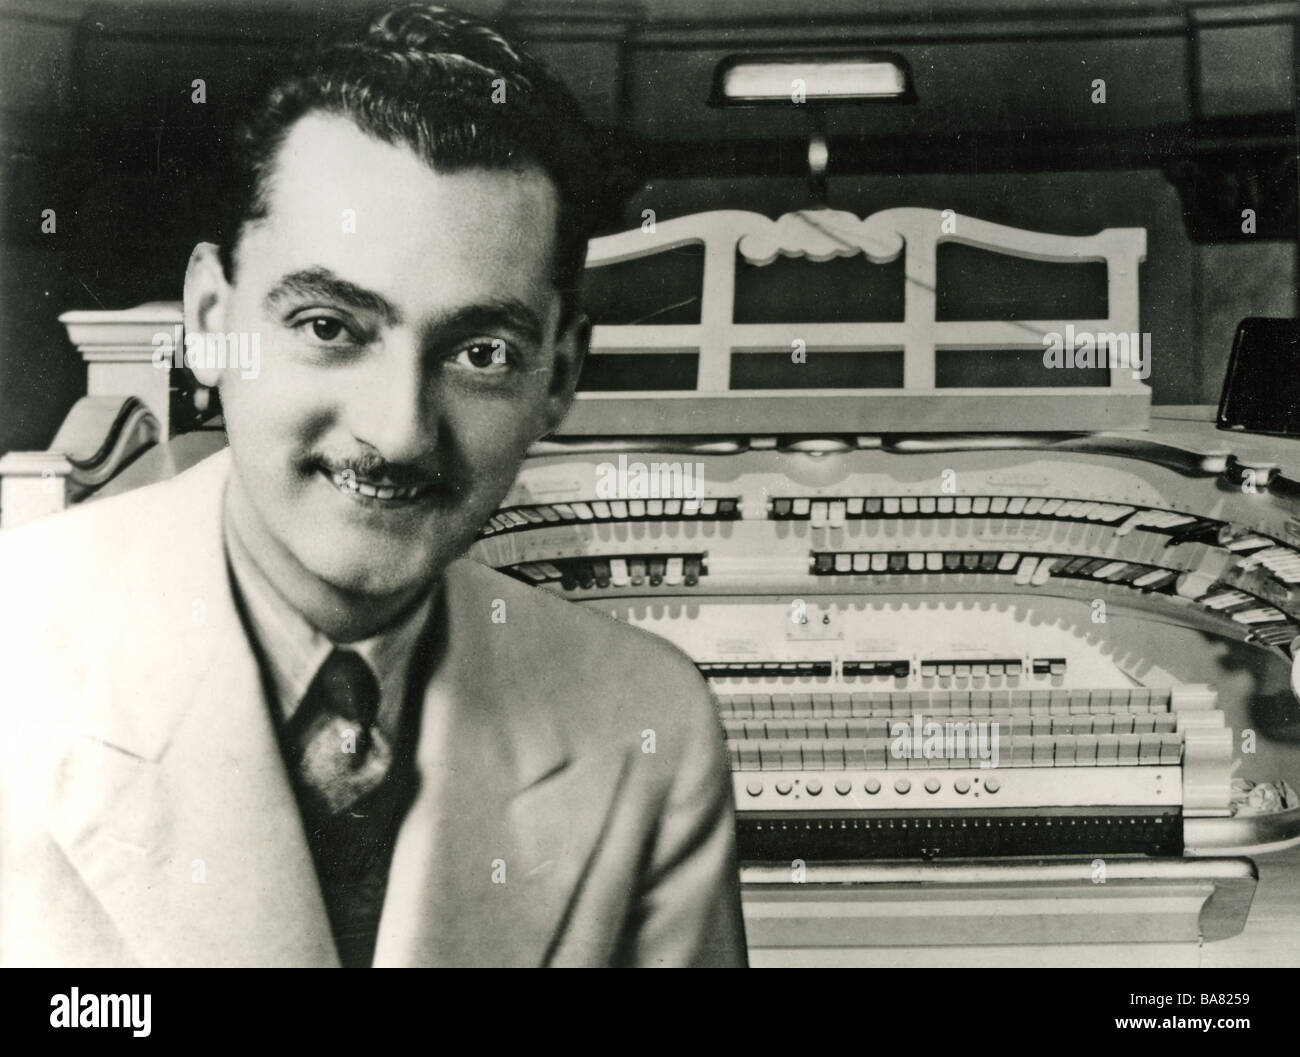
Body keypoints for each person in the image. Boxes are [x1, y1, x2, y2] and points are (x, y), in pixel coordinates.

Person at [0, 4, 746, 968]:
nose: (397, 432)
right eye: (329, 326)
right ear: (210, 321)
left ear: (560, 375)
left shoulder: (651, 718)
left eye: (481, 352)